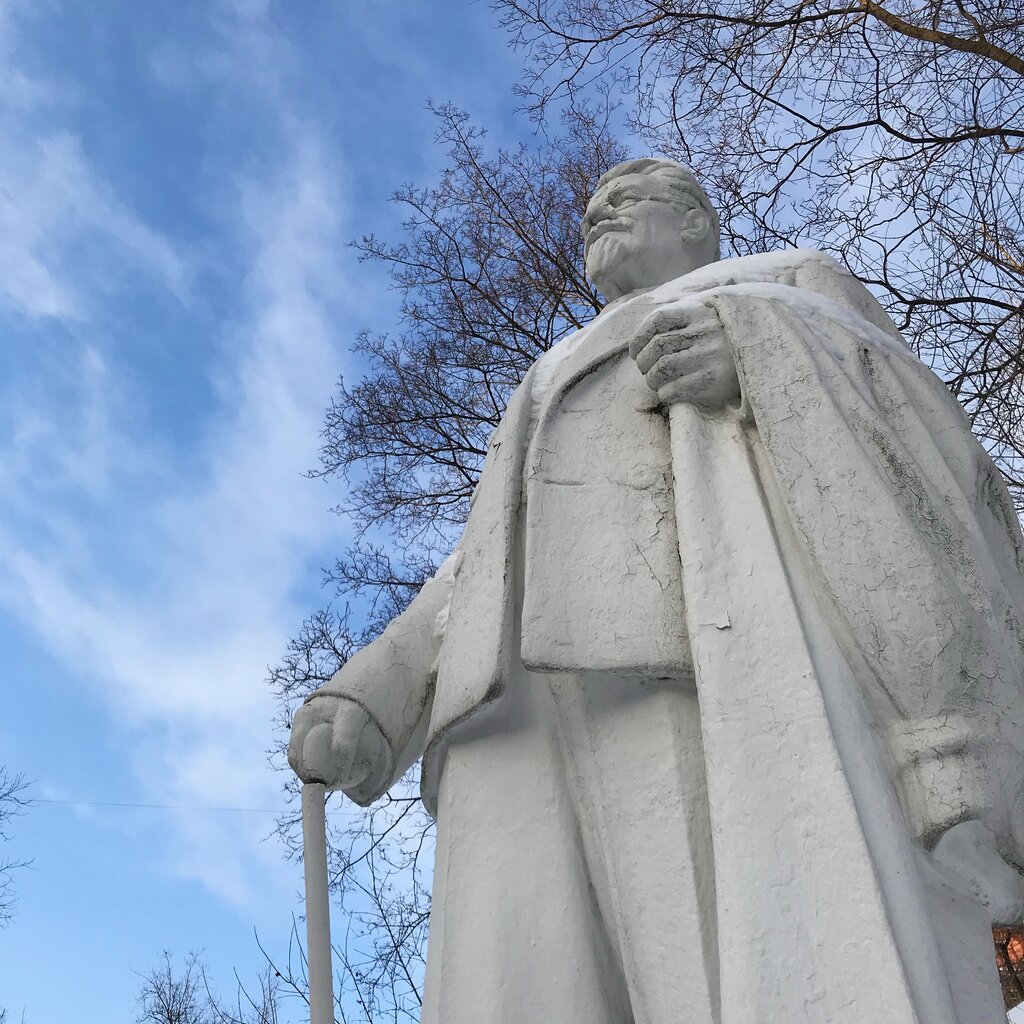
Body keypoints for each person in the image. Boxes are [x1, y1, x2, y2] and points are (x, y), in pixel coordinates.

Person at [289, 159, 1024, 1023]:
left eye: (625, 202)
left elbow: (922, 430)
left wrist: (758, 351)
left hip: (699, 659)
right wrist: (379, 689)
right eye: (592, 211)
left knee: (723, 962)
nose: (597, 217)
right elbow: (481, 563)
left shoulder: (789, 279)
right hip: (512, 704)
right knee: (528, 974)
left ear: (697, 223)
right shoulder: (548, 370)